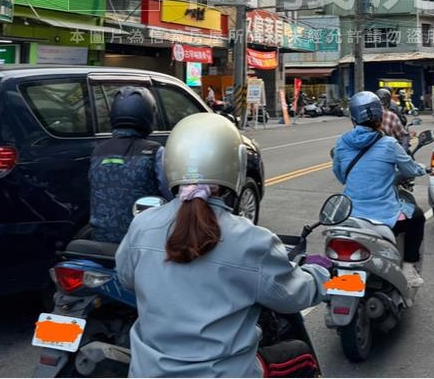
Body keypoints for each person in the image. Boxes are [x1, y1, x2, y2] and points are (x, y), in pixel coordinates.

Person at [116, 113, 331, 377]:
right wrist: (319, 271)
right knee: (300, 353)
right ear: (235, 165)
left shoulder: (142, 225)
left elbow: (127, 278)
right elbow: (294, 296)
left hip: (147, 372)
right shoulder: (251, 240)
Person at [331, 91, 427, 289]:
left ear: (353, 118)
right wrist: (422, 169)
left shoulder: (342, 142)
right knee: (417, 217)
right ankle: (408, 268)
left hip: (350, 215)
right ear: (380, 118)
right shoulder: (389, 144)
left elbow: (342, 177)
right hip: (383, 216)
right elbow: (409, 168)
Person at [89, 88, 173, 245]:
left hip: (100, 240)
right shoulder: (155, 152)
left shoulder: (98, 152)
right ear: (148, 115)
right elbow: (171, 196)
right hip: (142, 241)